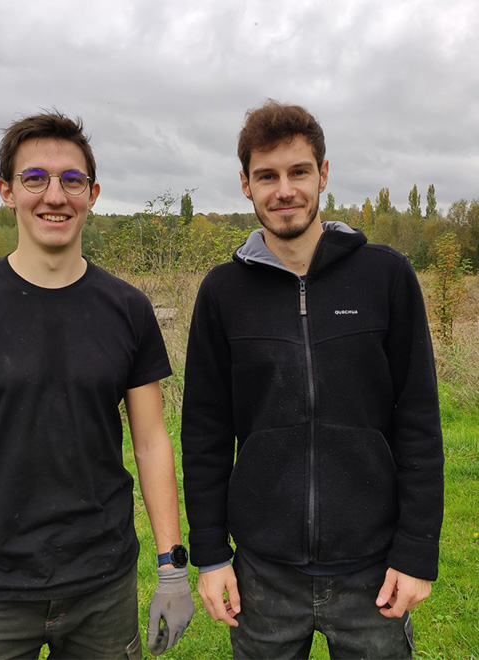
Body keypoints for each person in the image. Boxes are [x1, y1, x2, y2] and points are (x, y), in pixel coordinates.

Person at [0, 111, 194, 660]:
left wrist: (172, 568)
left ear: (93, 194)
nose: (54, 195)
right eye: (35, 179)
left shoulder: (128, 309)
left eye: (71, 180)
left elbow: (151, 443)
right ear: (7, 191)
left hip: (104, 586)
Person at [181, 100, 444, 659]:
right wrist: (210, 554)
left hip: (372, 574)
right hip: (263, 576)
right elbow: (204, 434)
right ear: (246, 186)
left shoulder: (386, 276)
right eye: (266, 176)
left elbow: (418, 420)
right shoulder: (223, 293)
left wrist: (417, 552)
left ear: (323, 174)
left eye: (299, 172)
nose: (284, 190)